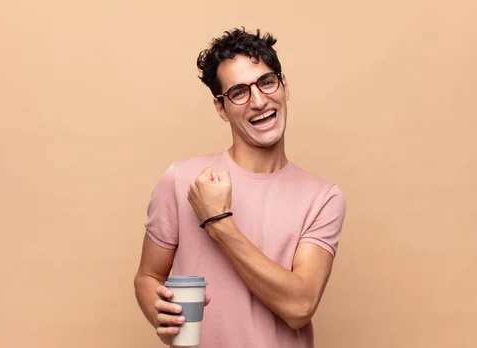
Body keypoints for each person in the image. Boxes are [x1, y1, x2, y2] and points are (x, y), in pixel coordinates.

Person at [133, 27, 346, 348]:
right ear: (221, 108)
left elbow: (299, 307)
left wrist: (218, 222)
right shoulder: (182, 180)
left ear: (284, 85)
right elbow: (148, 277)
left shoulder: (323, 197)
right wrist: (160, 313)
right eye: (238, 92)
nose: (259, 101)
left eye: (266, 82)